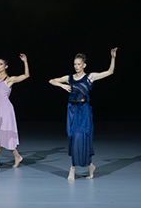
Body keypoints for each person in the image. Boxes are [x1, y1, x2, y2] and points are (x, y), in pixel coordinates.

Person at [48, 48, 118, 180]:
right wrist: (61, 85)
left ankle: (73, 169)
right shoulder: (70, 78)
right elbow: (51, 80)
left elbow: (110, 72)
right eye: (75, 64)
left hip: (84, 110)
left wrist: (113, 58)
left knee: (82, 138)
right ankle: (90, 166)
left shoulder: (90, 77)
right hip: (72, 110)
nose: (76, 66)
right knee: (73, 137)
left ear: (84, 65)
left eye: (79, 64)